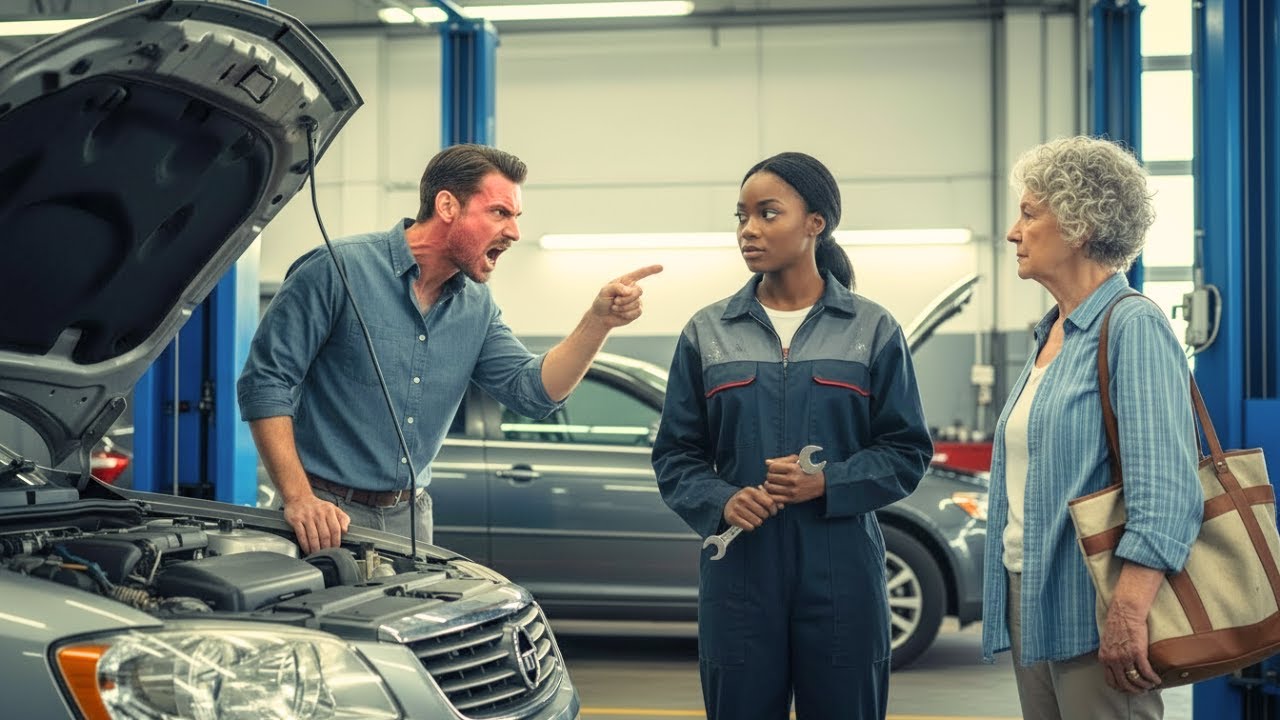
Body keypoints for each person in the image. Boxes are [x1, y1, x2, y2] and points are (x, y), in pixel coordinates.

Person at [237, 143, 661, 554]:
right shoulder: (337, 269)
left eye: (515, 216)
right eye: (499, 213)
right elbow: (266, 382)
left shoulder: (476, 306)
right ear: (447, 206)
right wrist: (298, 498)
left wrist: (598, 321)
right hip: (324, 517)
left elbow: (533, 393)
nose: (514, 232)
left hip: (411, 518)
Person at [651, 151, 932, 719]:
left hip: (843, 570)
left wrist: (828, 483)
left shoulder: (872, 329)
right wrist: (721, 499)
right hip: (740, 571)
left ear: (816, 223)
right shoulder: (707, 333)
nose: (749, 230)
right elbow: (676, 455)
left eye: (768, 213)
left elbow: (907, 451)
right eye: (741, 215)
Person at [980, 135, 1202, 719]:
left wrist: (1127, 613)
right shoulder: (1052, 333)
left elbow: (1168, 491)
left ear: (1079, 225)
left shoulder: (1132, 327)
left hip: (1097, 604)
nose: (1013, 232)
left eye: (1029, 214)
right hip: (1031, 595)